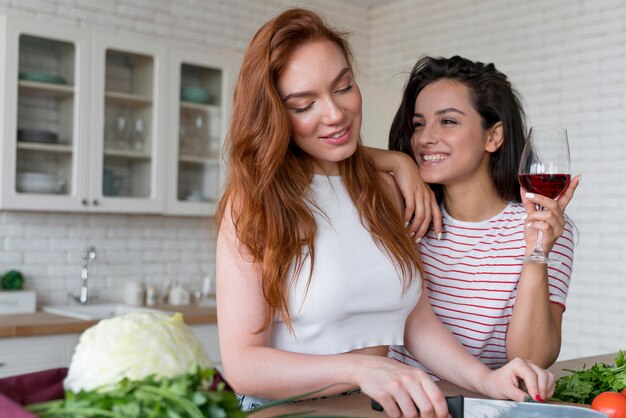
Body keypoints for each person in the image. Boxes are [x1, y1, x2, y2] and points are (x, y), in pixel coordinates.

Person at [216, 9, 555, 417]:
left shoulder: (388, 189)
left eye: (343, 87)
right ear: (275, 115)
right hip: (280, 411)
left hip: (370, 409)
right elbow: (243, 366)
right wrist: (359, 367)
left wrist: (486, 379)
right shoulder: (254, 204)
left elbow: (414, 319)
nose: (335, 114)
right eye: (305, 104)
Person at [387, 55, 580, 372]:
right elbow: (324, 156)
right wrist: (398, 163)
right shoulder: (403, 212)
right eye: (419, 124)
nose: (424, 138)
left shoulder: (543, 225)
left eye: (447, 121)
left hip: (481, 404)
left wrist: (536, 253)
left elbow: (530, 360)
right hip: (398, 401)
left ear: (493, 136)